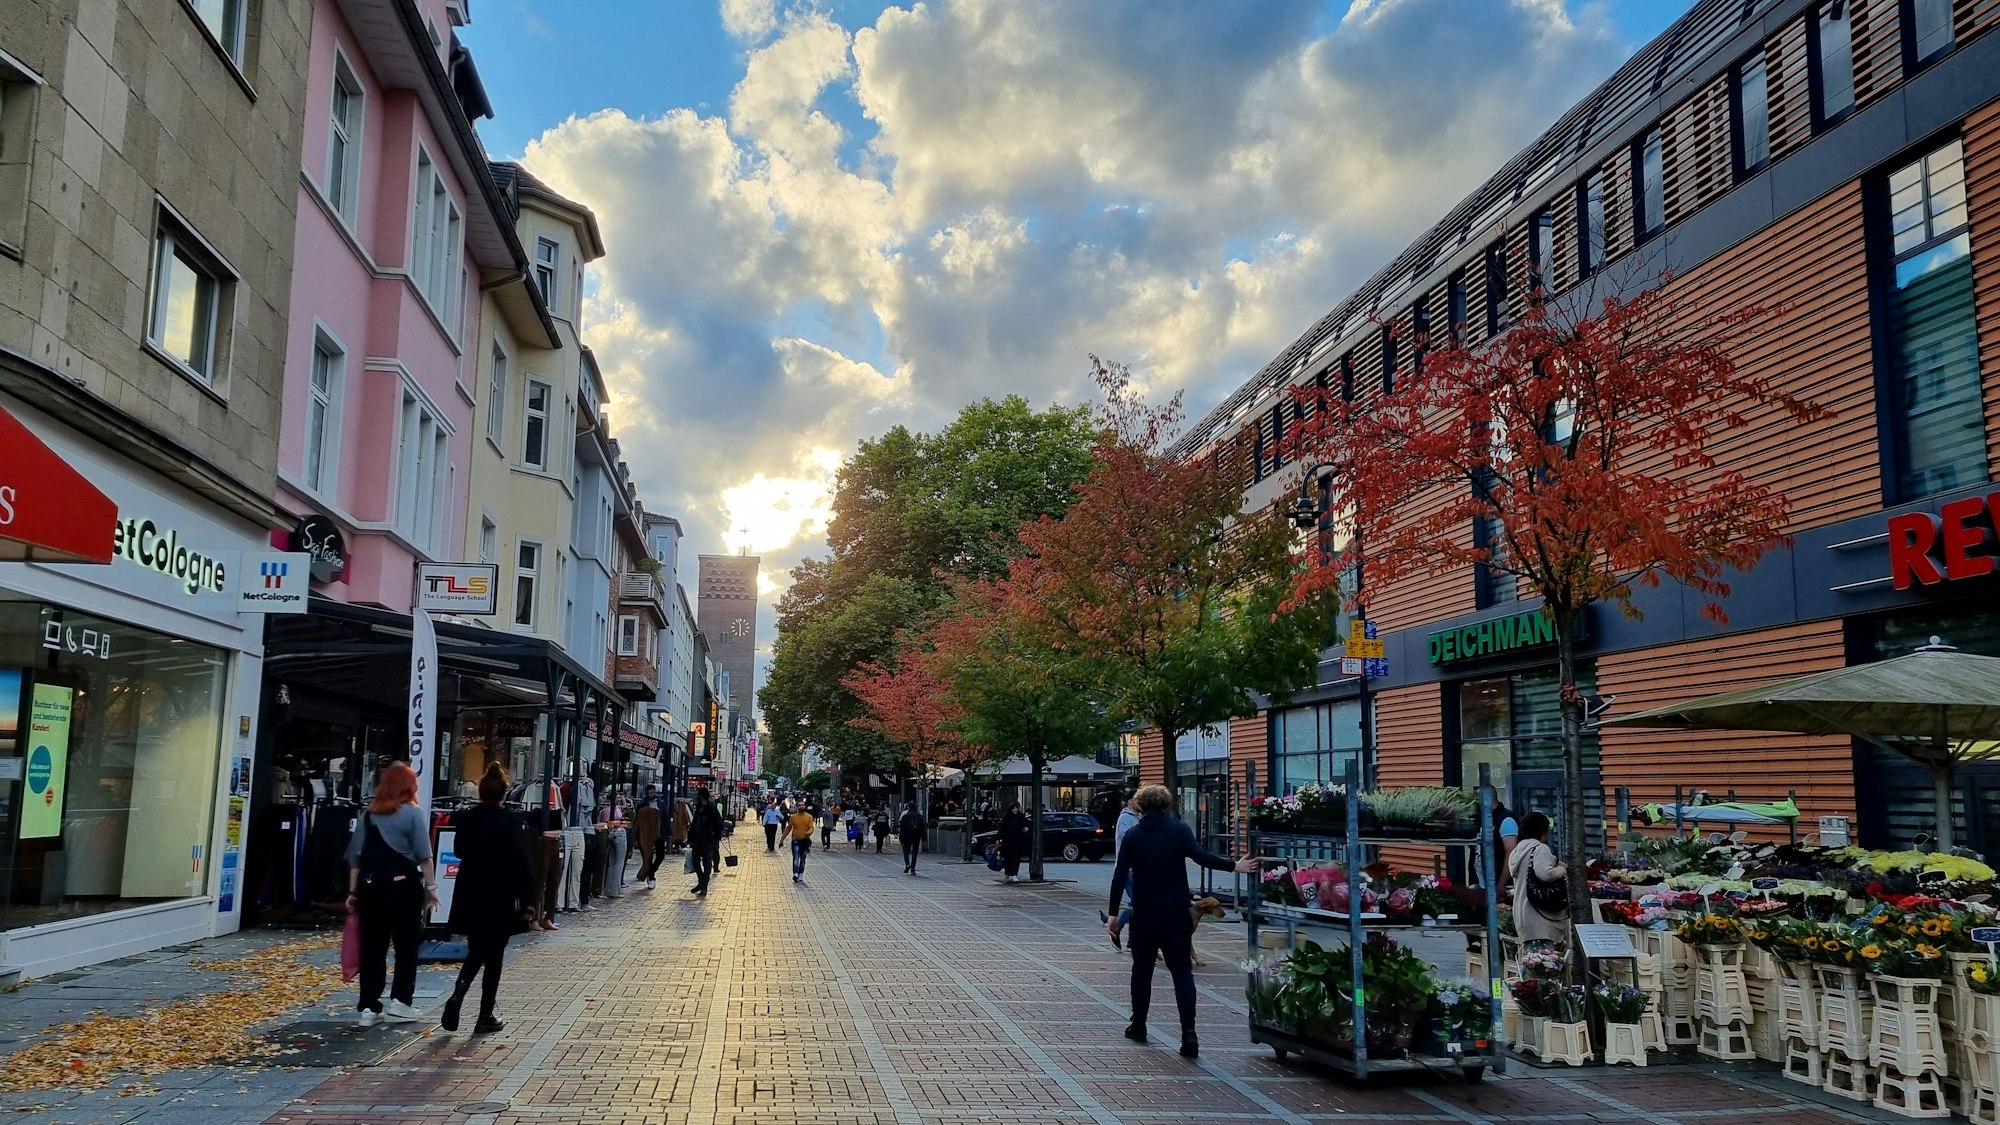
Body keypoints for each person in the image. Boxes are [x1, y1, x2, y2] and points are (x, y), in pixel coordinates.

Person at [1107, 785, 1259, 1058]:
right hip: (1176, 913)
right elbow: (1201, 856)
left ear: (1140, 806)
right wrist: (1235, 866)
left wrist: (1114, 914)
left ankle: (1138, 1026)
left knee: (1141, 972)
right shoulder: (1178, 830)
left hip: (1144, 914)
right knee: (1182, 975)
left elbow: (1119, 876)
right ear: (1166, 805)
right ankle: (1189, 1035)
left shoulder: (1132, 835)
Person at [441, 763, 534, 1035]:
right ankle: (484, 1013)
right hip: (500, 894)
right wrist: (528, 897)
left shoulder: (467, 818)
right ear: (504, 794)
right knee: (493, 955)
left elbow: (458, 851)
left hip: (471, 891)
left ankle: (460, 996)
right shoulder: (510, 821)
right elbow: (520, 861)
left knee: (478, 948)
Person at [345, 762, 438, 1026]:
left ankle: (368, 1006)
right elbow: (424, 855)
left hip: (370, 888)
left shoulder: (368, 815)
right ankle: (400, 1002)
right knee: (406, 946)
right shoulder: (412, 814)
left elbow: (355, 858)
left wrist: (353, 892)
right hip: (402, 888)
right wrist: (430, 888)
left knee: (373, 947)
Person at [1509, 811, 1569, 946]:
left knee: (1532, 959)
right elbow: (1545, 874)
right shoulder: (1539, 848)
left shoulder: (1517, 850)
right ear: (1542, 830)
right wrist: (1562, 869)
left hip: (1523, 913)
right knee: (1543, 962)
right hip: (1539, 917)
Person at [1098, 793, 1142, 947]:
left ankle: (1128, 935)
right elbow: (1127, 838)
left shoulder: (1137, 816)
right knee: (1138, 902)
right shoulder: (1125, 817)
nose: (1140, 803)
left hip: (1135, 867)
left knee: (1137, 903)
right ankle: (1118, 927)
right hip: (1128, 868)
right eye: (1137, 800)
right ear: (1130, 801)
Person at [689, 787, 724, 896]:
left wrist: (715, 836)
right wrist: (691, 837)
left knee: (707, 863)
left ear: (701, 796)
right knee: (695, 862)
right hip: (697, 839)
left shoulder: (711, 807)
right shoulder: (699, 807)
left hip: (708, 840)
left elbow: (718, 822)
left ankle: (704, 886)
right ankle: (701, 881)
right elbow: (695, 822)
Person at [634, 785, 663, 890]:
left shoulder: (661, 803)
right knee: (648, 857)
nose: (650, 795)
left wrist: (668, 832)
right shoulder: (641, 806)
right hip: (646, 834)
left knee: (660, 856)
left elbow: (666, 817)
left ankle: (650, 872)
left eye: (652, 793)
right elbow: (637, 822)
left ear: (655, 792)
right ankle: (651, 878)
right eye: (648, 793)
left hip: (659, 833)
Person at [997, 802, 1029, 883]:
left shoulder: (1021, 817)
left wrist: (1026, 828)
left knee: (1016, 858)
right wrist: (999, 839)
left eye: (1017, 808)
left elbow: (1026, 824)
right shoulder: (1007, 818)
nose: (1015, 810)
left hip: (1017, 841)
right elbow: (1001, 829)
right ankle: (1008, 871)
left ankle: (1014, 874)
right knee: (1007, 858)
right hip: (1007, 842)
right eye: (1014, 808)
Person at [786, 801, 817, 883]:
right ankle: (795, 873)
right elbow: (788, 828)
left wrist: (809, 832)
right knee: (796, 858)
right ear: (797, 807)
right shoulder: (793, 817)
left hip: (805, 840)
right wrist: (782, 839)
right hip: (795, 840)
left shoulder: (809, 817)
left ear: (805, 806)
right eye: (799, 805)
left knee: (803, 858)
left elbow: (811, 827)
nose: (801, 807)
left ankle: (801, 874)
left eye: (802, 805)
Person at [897, 802, 926, 874]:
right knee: (915, 852)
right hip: (917, 836)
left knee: (906, 850)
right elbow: (923, 828)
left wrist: (901, 837)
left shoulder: (905, 816)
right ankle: (913, 868)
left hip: (907, 836)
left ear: (908, 808)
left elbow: (902, 828)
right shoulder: (920, 816)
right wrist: (924, 838)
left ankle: (907, 864)